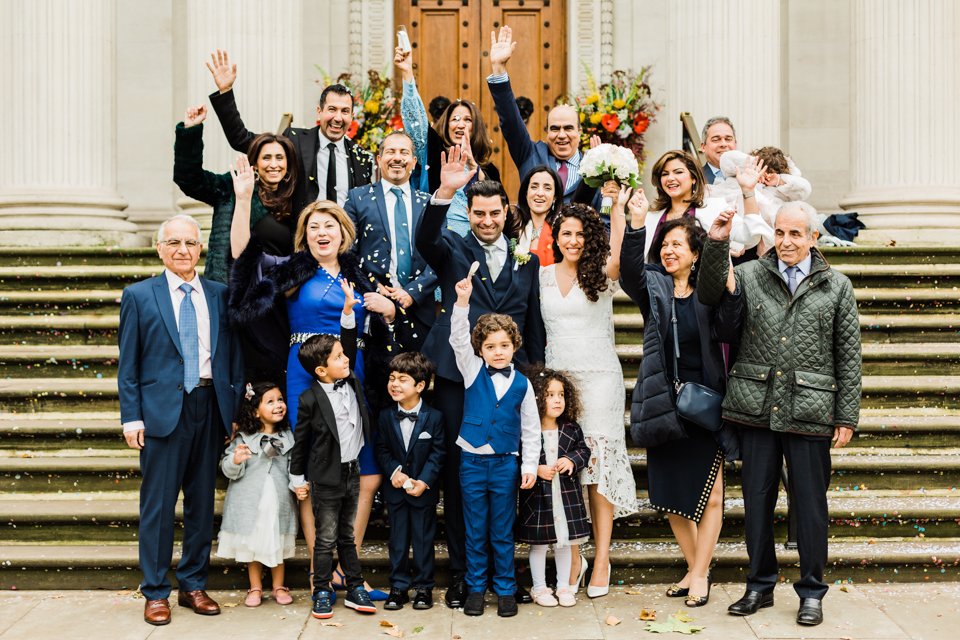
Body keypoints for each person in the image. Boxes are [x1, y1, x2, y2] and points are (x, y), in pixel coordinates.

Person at [698, 202, 862, 627]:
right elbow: (709, 293)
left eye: (796, 234)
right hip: (755, 405)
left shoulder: (837, 286)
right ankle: (760, 584)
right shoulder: (751, 274)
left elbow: (848, 356)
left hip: (811, 408)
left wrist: (846, 415)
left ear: (813, 238)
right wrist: (717, 244)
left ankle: (811, 591)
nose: (787, 242)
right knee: (756, 502)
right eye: (781, 232)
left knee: (810, 505)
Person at [229, 200, 398, 601]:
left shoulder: (360, 273)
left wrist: (387, 308)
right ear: (306, 235)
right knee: (314, 476)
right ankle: (320, 571)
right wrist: (242, 198)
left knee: (368, 472)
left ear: (343, 233)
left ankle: (346, 567)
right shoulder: (293, 268)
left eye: (331, 226)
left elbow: (381, 318)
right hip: (306, 373)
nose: (323, 233)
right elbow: (242, 257)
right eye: (315, 226)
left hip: (352, 370)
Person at [414, 146, 546, 608]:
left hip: (510, 380)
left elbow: (532, 324)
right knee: (458, 475)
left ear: (506, 212)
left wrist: (535, 377)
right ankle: (463, 577)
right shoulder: (453, 248)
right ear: (467, 213)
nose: (487, 220)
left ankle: (506, 575)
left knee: (509, 479)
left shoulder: (524, 258)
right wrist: (444, 190)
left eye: (494, 213)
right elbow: (423, 242)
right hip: (459, 376)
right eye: (478, 213)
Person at [118, 214, 243, 626]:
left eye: (189, 243)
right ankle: (155, 591)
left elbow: (231, 358)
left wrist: (233, 413)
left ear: (200, 248)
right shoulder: (139, 296)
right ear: (160, 249)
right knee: (158, 505)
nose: (182, 250)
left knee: (202, 505)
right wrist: (131, 417)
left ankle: (192, 583)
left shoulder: (219, 295)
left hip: (209, 407)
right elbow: (129, 366)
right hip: (160, 413)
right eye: (173, 243)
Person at [620, 212, 741, 610]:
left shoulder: (708, 291)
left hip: (706, 405)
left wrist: (731, 289)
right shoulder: (653, 286)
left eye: (678, 245)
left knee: (712, 497)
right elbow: (628, 272)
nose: (670, 251)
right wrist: (636, 224)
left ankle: (701, 574)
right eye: (666, 244)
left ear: (695, 254)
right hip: (663, 403)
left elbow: (728, 327)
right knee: (670, 497)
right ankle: (694, 567)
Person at [539, 190, 636, 598]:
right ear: (555, 236)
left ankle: (600, 559)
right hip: (560, 384)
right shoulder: (541, 275)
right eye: (566, 233)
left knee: (597, 469)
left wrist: (617, 210)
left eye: (580, 234)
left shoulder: (602, 272)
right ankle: (574, 555)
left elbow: (619, 255)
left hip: (599, 380)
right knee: (568, 467)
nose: (573, 240)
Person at [449, 274, 539, 618]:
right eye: (490, 346)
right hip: (471, 462)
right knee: (475, 530)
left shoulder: (523, 384)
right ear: (480, 350)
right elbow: (458, 338)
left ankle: (504, 588)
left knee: (502, 531)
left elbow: (530, 430)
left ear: (514, 345)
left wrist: (528, 466)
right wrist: (462, 304)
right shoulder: (472, 371)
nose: (497, 352)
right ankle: (475, 588)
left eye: (503, 345)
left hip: (505, 464)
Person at [289, 281, 378, 620]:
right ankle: (322, 588)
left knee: (347, 535)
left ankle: (354, 585)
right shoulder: (309, 398)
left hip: (352, 470)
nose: (346, 360)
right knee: (326, 538)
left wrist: (346, 310)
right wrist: (298, 477)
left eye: (345, 356)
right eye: (339, 357)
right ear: (322, 370)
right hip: (324, 475)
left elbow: (351, 344)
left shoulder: (351, 378)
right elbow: (301, 442)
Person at [206, 49, 373, 213]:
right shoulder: (295, 140)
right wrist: (226, 92)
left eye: (344, 111)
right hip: (300, 237)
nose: (338, 117)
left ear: (352, 116)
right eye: (332, 109)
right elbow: (241, 139)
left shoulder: (361, 158)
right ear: (319, 111)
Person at [173, 105, 299, 284]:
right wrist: (191, 131)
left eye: (279, 158)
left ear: (288, 163)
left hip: (275, 294)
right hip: (229, 288)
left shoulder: (296, 198)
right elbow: (189, 179)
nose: (273, 164)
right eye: (266, 158)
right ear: (255, 163)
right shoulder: (231, 188)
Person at [344, 130, 437, 367]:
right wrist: (373, 287)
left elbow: (441, 257)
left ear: (414, 162)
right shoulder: (358, 199)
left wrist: (412, 292)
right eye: (391, 152)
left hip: (419, 311)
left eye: (404, 152)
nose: (397, 158)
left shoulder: (428, 203)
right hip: (373, 309)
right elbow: (347, 254)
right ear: (379, 159)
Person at [395, 46, 500, 236]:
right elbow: (416, 123)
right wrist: (407, 73)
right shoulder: (434, 153)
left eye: (467, 120)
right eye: (455, 119)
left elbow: (498, 207)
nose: (460, 125)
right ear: (446, 125)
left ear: (476, 128)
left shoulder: (489, 170)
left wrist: (475, 168)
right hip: (438, 241)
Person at [486, 26, 597, 206]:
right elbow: (511, 122)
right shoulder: (530, 154)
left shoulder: (594, 166)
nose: (561, 135)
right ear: (547, 132)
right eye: (555, 129)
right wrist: (498, 69)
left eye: (568, 128)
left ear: (580, 131)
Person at [217, 381, 297, 608]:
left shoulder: (288, 438)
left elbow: (294, 467)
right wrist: (235, 460)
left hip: (279, 501)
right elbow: (228, 469)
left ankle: (279, 586)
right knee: (253, 545)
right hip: (250, 503)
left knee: (277, 542)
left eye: (280, 399)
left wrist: (299, 484)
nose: (278, 405)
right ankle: (255, 587)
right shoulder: (243, 439)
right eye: (270, 401)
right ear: (255, 411)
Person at [375, 352, 445, 611]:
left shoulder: (434, 417)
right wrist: (394, 472)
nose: (394, 384)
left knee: (424, 540)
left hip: (422, 491)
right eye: (392, 378)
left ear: (420, 386)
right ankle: (399, 586)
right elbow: (381, 449)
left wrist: (424, 481)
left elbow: (438, 452)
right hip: (395, 491)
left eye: (402, 379)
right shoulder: (384, 417)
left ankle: (425, 587)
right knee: (398, 540)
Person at [517, 368, 591, 608]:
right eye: (550, 395)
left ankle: (564, 586)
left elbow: (584, 451)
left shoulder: (571, 428)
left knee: (564, 543)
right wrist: (535, 469)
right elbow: (519, 457)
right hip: (538, 498)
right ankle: (539, 587)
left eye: (561, 394)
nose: (557, 400)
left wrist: (571, 460)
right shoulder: (527, 430)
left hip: (566, 498)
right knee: (539, 546)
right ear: (537, 398)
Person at [640, 150, 772, 261]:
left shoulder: (715, 207)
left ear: (694, 178)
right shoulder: (650, 217)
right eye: (665, 174)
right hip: (657, 288)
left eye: (678, 172)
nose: (670, 178)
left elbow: (749, 237)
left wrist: (748, 191)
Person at [714, 147, 813, 228]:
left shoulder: (782, 189)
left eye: (770, 174)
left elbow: (805, 189)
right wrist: (755, 166)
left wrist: (779, 180)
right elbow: (726, 159)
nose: (765, 178)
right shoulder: (740, 179)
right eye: (764, 172)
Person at [512, 166, 563, 266]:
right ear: (526, 193)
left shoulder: (561, 229)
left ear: (555, 197)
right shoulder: (514, 225)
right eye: (534, 187)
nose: (540, 193)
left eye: (547, 188)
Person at [700, 116, 737, 186]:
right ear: (703, 147)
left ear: (735, 144)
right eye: (716, 139)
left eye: (728, 139)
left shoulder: (748, 175)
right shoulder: (695, 179)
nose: (723, 144)